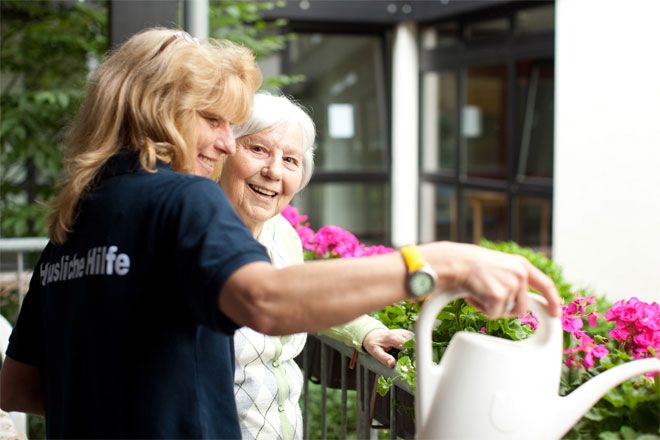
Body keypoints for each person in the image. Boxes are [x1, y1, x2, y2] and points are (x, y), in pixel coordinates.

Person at [0, 28, 562, 439]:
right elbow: (265, 300)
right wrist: (438, 263)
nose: (225, 144)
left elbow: (19, 386)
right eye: (213, 120)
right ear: (157, 110)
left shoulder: (74, 222)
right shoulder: (181, 197)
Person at [219, 92, 411, 439]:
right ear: (223, 150)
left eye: (290, 159)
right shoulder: (196, 234)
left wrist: (364, 331)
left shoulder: (283, 234)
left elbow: (300, 298)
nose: (274, 171)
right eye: (258, 149)